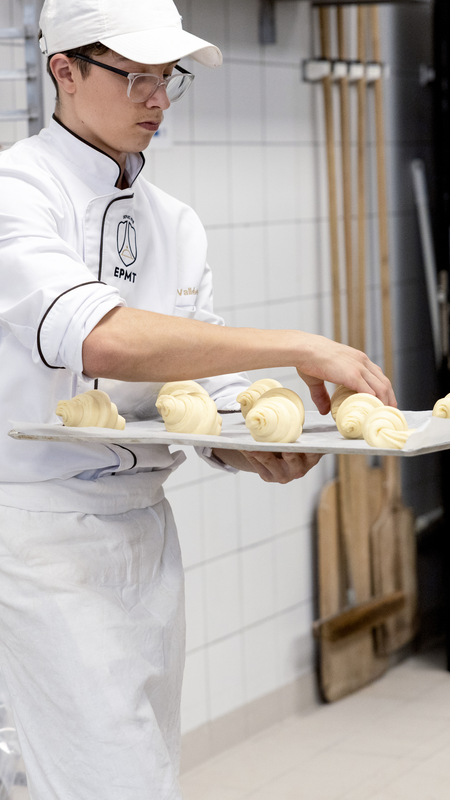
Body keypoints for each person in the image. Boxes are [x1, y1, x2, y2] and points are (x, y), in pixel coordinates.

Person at [0, 0, 395, 797]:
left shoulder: (174, 221)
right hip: (36, 535)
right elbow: (101, 337)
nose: (158, 98)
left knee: (133, 763)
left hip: (145, 532)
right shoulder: (15, 193)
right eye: (135, 76)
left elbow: (196, 380)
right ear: (64, 72)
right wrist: (300, 345)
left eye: (167, 77)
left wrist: (246, 442)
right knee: (112, 783)